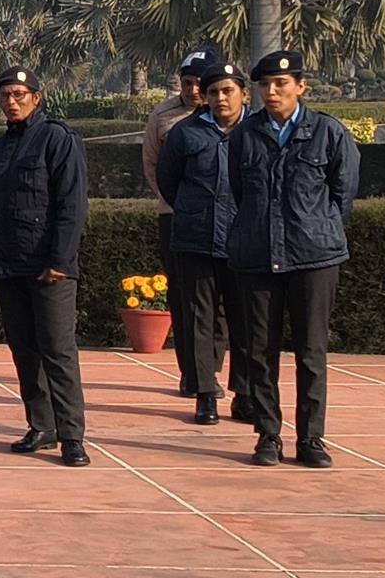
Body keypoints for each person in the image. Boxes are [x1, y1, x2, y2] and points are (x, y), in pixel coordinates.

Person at [227, 48, 359, 468]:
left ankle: (311, 438)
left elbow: (342, 194)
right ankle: (268, 435)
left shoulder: (328, 132)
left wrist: (315, 227)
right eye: (265, 85)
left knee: (311, 351)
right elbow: (240, 191)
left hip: (314, 256)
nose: (272, 92)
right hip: (258, 254)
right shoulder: (245, 136)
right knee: (259, 350)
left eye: (281, 84)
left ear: (301, 87)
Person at [0, 63, 90, 467]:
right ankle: (41, 425)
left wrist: (60, 259)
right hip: (9, 264)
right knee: (25, 351)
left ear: (36, 98)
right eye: (5, 95)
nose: (12, 101)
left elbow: (71, 204)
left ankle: (72, 435)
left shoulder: (57, 139)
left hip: (48, 267)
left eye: (19, 95)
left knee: (58, 350)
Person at [153, 57, 246, 426]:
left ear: (243, 94)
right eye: (213, 92)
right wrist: (192, 211)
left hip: (243, 240)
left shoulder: (255, 132)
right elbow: (167, 179)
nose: (220, 98)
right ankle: (205, 393)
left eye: (228, 91)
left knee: (245, 319)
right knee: (198, 319)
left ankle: (246, 393)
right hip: (196, 239)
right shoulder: (185, 133)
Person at [140, 46, 221, 413]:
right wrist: (179, 204)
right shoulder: (163, 116)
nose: (193, 90)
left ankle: (210, 370)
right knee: (185, 298)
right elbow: (154, 167)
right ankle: (192, 372)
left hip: (224, 219)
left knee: (222, 301)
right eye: (187, 83)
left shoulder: (229, 113)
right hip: (176, 217)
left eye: (200, 83)